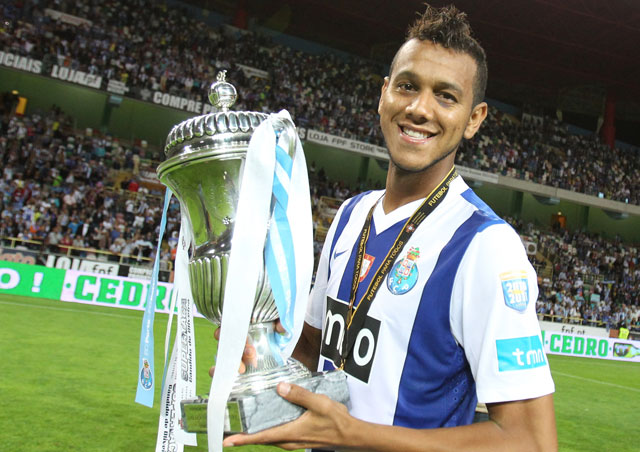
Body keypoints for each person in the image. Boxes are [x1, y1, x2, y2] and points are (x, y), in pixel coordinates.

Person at [217, 4, 557, 451]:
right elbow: (315, 351)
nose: (419, 108)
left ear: (474, 119)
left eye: (446, 96)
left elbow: (532, 441)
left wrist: (352, 435)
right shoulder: (350, 215)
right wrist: (260, 344)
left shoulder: (486, 246)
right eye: (407, 86)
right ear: (384, 94)